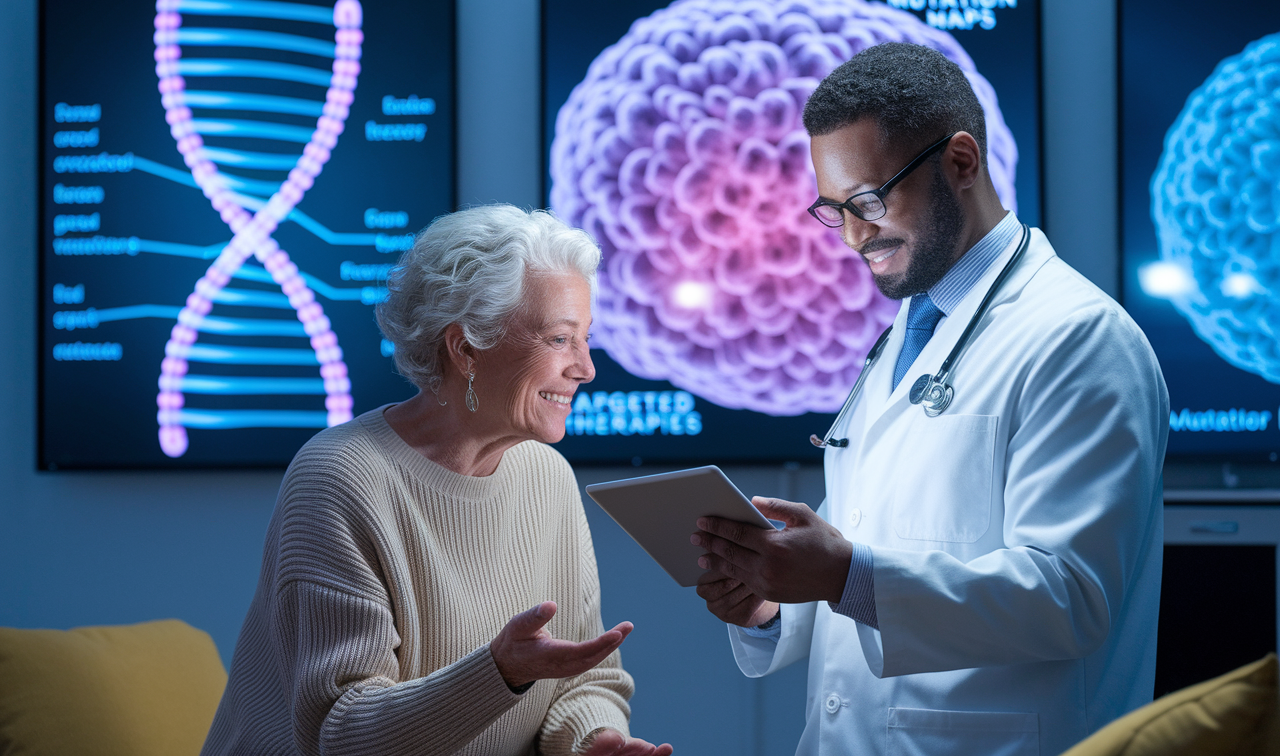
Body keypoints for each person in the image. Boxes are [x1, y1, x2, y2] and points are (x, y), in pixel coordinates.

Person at [691, 42, 1169, 756]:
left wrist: (846, 574)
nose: (853, 236)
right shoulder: (910, 332)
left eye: (870, 200)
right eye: (834, 210)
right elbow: (888, 537)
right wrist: (770, 600)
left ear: (962, 162)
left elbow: (1071, 597)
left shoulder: (1080, 339)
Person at [201, 205, 672, 756]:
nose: (586, 368)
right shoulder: (340, 478)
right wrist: (499, 673)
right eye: (560, 340)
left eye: (585, 338)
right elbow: (344, 734)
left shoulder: (547, 476)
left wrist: (592, 741)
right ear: (466, 347)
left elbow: (581, 679)